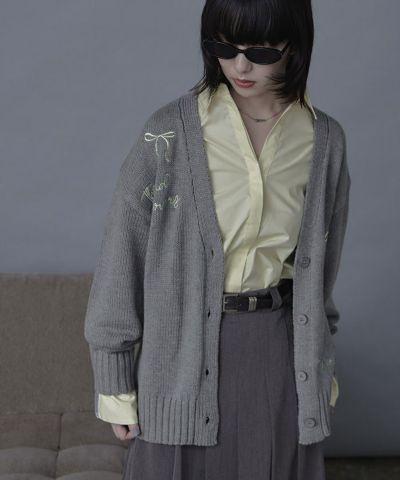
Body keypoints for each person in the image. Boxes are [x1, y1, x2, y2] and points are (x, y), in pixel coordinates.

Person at [84, 0, 351, 478]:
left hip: (278, 356)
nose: (240, 66)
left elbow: (321, 271)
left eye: (261, 52)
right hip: (178, 361)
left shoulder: (323, 141)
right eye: (225, 48)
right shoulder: (168, 134)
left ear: (295, 45)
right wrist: (114, 381)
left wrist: (320, 364)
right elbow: (121, 256)